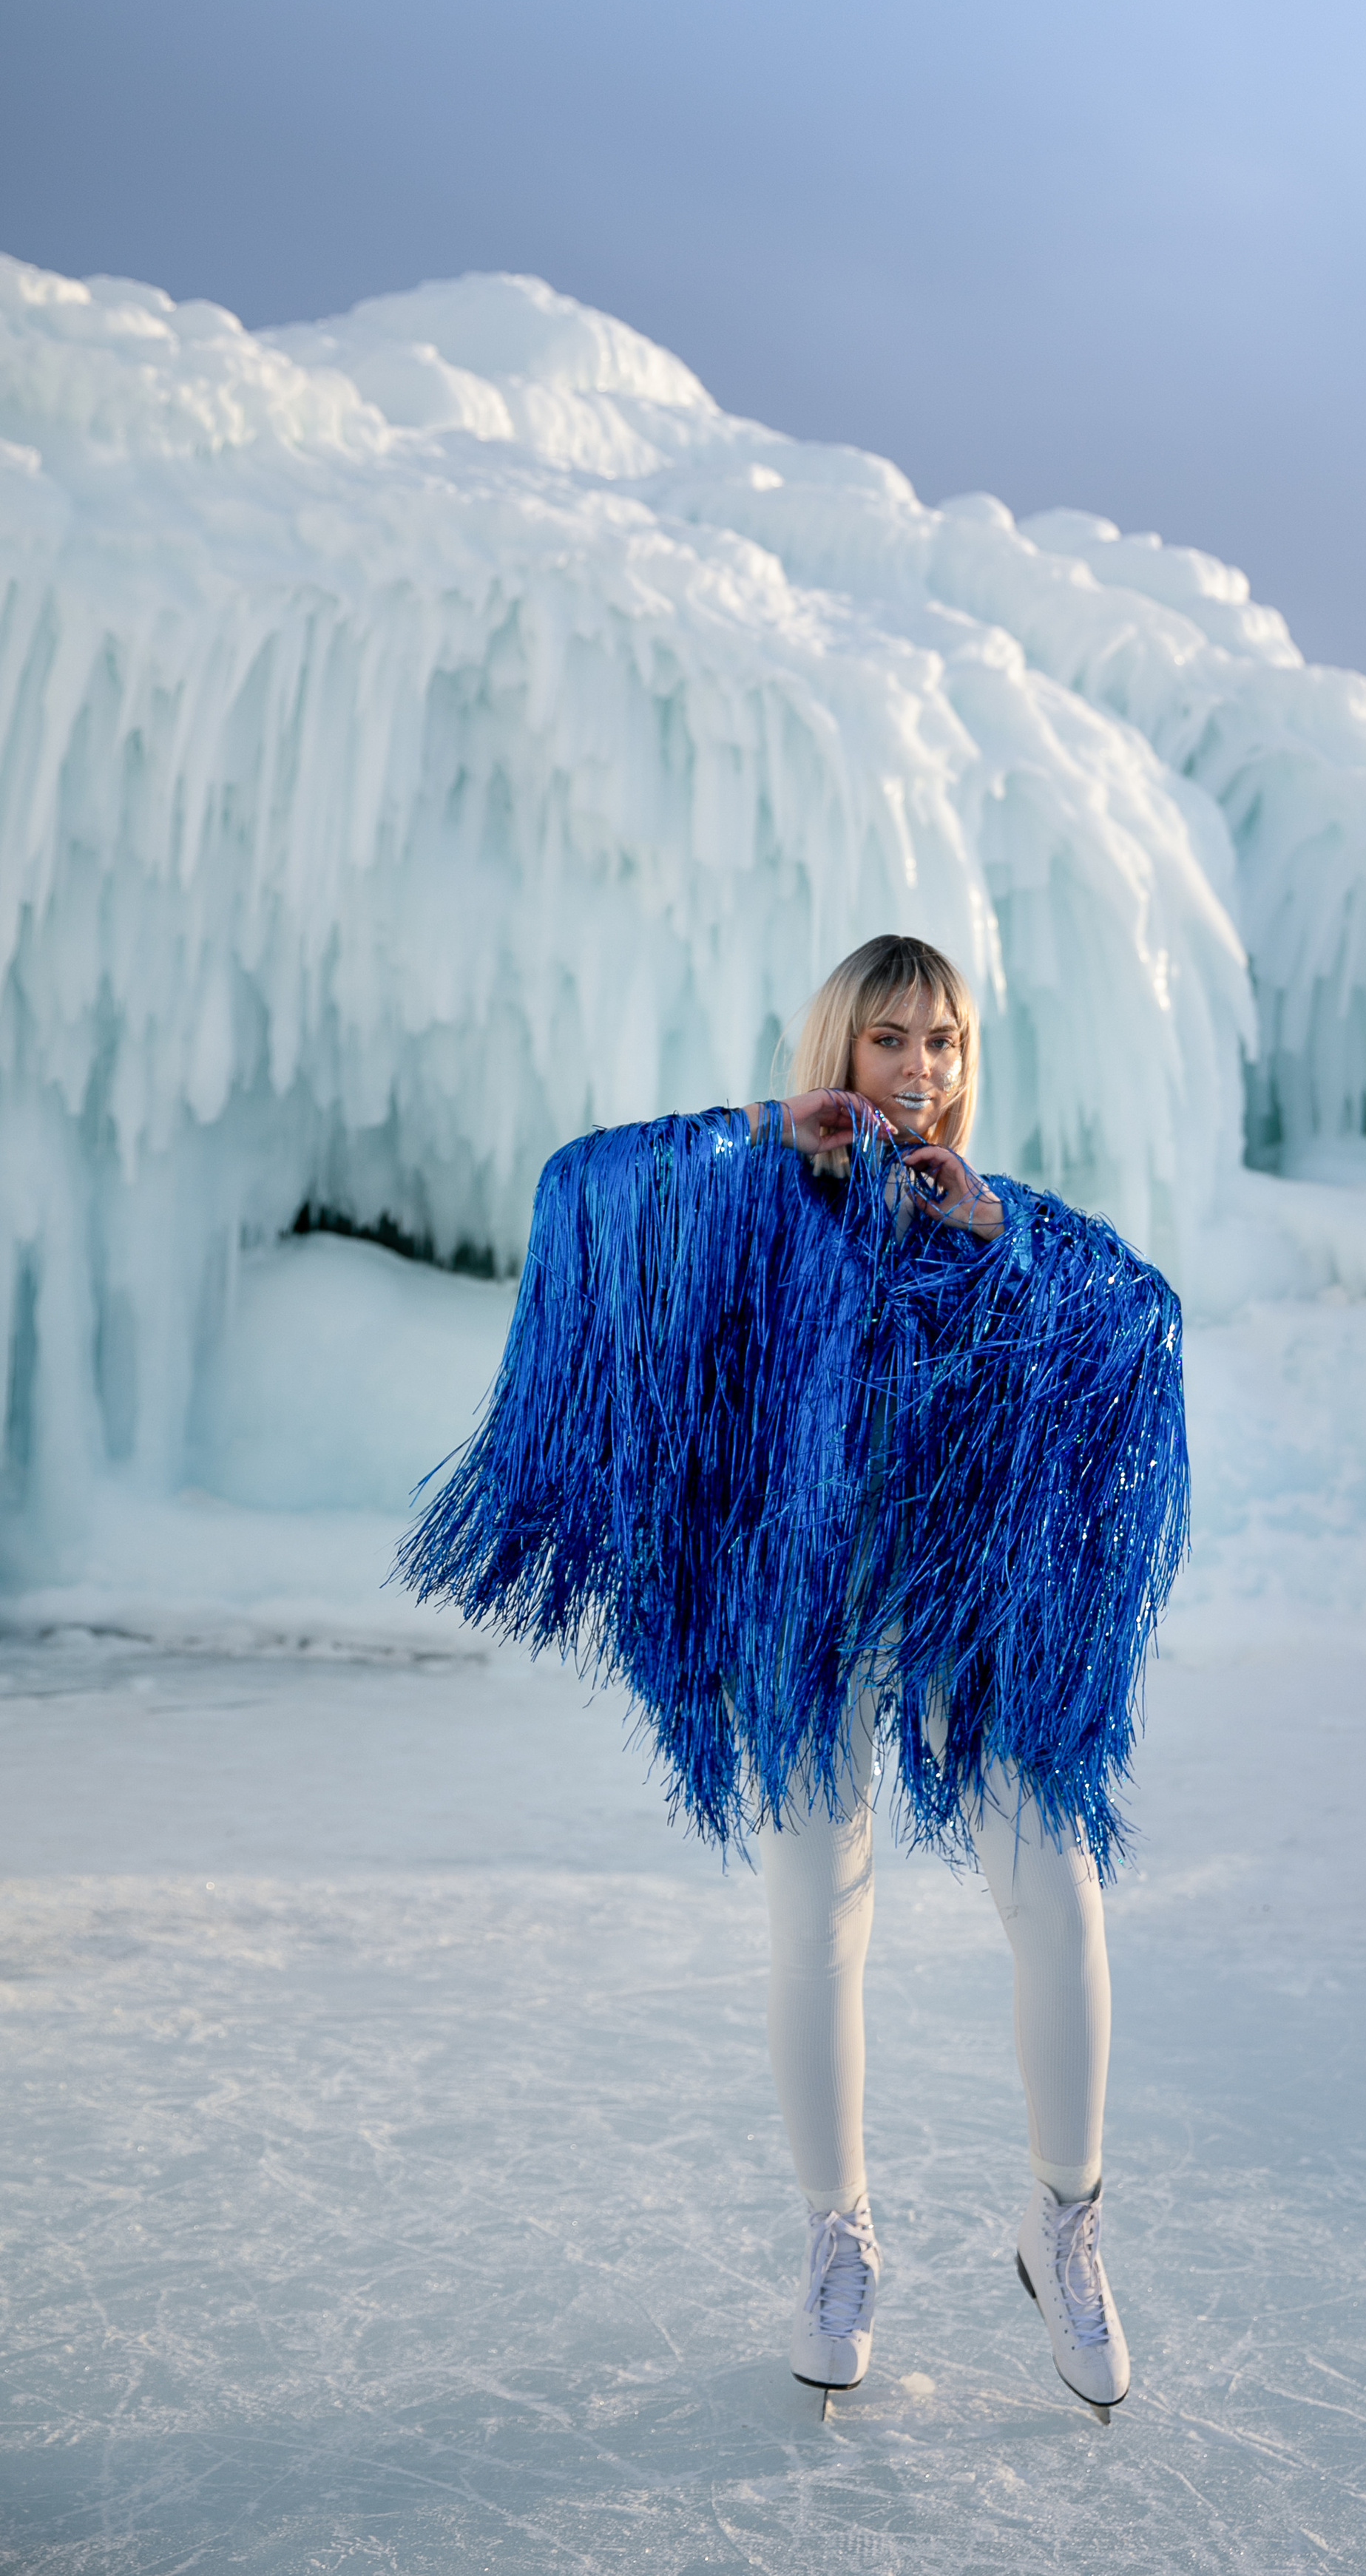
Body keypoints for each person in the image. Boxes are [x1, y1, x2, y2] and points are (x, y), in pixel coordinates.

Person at [401, 935, 1187, 2419]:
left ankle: (1064, 2221)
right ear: (837, 1047)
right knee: (817, 1907)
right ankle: (838, 2235)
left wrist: (999, 1231)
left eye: (944, 1042)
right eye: (888, 1040)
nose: (920, 1070)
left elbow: (1144, 1315)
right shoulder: (753, 1188)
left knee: (1056, 1880)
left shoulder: (986, 1213)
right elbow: (578, 1187)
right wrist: (770, 1132)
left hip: (964, 1603)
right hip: (806, 1598)